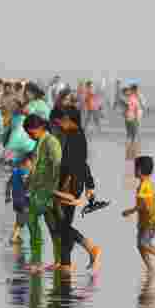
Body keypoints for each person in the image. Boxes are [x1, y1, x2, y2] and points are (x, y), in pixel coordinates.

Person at [51, 108, 103, 272]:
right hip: (73, 183)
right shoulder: (76, 135)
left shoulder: (75, 137)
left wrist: (67, 185)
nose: (61, 124)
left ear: (69, 119)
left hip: (70, 184)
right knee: (63, 223)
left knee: (62, 224)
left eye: (63, 121)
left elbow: (75, 164)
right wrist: (90, 185)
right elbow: (83, 163)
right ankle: (66, 262)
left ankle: (90, 247)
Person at [22, 114, 61, 271]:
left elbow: (58, 166)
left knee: (34, 220)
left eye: (30, 132)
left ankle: (39, 261)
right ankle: (58, 260)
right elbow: (37, 166)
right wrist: (28, 182)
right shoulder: (40, 142)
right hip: (38, 190)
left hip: (48, 191)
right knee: (51, 226)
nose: (29, 135)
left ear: (39, 128)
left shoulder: (51, 142)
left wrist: (56, 192)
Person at [123, 155, 155, 275]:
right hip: (145, 220)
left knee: (143, 244)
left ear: (139, 170)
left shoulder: (143, 186)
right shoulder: (148, 183)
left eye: (135, 168)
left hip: (148, 221)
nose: (133, 171)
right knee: (140, 246)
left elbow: (142, 205)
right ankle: (151, 269)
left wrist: (129, 212)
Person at [9, 153, 33, 244]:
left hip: (16, 199)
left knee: (18, 218)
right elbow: (26, 183)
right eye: (31, 163)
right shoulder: (23, 172)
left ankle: (16, 235)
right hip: (22, 199)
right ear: (26, 162)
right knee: (22, 220)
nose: (32, 165)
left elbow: (10, 183)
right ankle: (14, 238)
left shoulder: (15, 171)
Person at [124, 81, 144, 146]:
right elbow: (129, 106)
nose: (130, 91)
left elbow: (140, 106)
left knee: (134, 130)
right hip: (131, 116)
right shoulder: (131, 97)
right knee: (132, 131)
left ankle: (133, 143)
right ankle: (132, 143)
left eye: (131, 89)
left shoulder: (137, 96)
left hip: (135, 116)